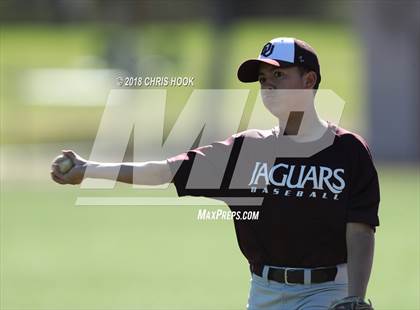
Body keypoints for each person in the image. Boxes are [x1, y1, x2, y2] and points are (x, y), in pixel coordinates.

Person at [51, 37, 379, 309]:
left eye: (279, 77)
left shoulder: (348, 151)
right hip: (264, 293)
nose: (268, 87)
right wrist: (89, 169)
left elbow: (361, 230)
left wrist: (355, 297)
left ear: (309, 81)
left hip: (327, 294)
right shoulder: (246, 151)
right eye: (264, 80)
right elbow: (164, 172)